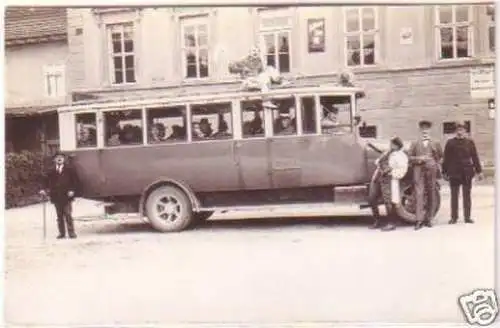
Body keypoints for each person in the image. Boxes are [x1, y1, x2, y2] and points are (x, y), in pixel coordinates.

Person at [442, 121, 484, 224]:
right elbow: (446, 158)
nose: (460, 132)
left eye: (462, 129)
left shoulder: (469, 142)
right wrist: (444, 172)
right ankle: (454, 217)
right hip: (454, 173)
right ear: (455, 131)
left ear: (465, 131)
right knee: (454, 196)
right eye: (458, 130)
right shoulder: (450, 143)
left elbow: (475, 157)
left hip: (467, 172)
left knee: (467, 195)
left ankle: (467, 217)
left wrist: (479, 171)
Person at [408, 120, 443, 230]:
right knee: (419, 193)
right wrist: (418, 159)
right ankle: (419, 220)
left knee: (431, 192)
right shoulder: (414, 143)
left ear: (430, 130)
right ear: (420, 130)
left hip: (431, 169)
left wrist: (435, 163)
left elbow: (441, 157)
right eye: (422, 129)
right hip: (418, 170)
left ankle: (429, 218)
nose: (425, 131)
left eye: (427, 129)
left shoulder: (435, 142)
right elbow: (409, 157)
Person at [369, 137, 408, 231]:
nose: (390, 145)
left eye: (392, 144)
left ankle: (391, 223)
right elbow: (377, 162)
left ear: (397, 145)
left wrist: (391, 173)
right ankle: (377, 220)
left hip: (389, 179)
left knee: (389, 201)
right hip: (378, 177)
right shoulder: (388, 152)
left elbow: (402, 169)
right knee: (372, 198)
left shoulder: (401, 155)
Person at [39, 151, 80, 239]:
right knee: (59, 215)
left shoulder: (70, 169)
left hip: (67, 195)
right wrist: (43, 189)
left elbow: (76, 181)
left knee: (68, 214)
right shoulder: (51, 170)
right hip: (56, 196)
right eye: (57, 157)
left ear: (64, 159)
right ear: (54, 160)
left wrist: (72, 190)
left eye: (61, 157)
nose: (59, 158)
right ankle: (61, 233)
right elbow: (44, 180)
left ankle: (71, 233)